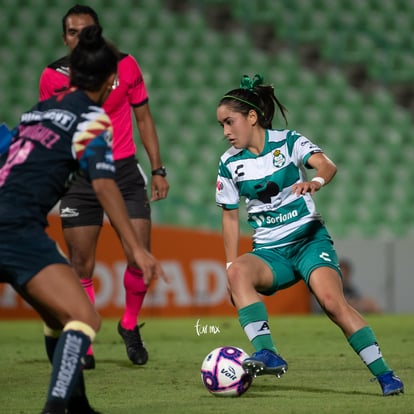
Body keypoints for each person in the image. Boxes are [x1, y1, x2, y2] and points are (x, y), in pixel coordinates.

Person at [0, 25, 164, 414]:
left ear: (71, 75)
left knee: (57, 317)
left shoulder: (36, 111)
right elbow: (105, 187)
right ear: (111, 81)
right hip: (17, 229)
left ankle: (79, 405)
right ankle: (56, 409)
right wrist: (135, 248)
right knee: (85, 317)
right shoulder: (93, 120)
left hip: (11, 220)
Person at [215, 74, 404, 396]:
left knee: (332, 303)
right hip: (270, 253)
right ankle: (267, 352)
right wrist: (231, 265)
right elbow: (230, 217)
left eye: (229, 122)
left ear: (251, 117)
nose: (225, 132)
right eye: (221, 125)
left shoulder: (289, 142)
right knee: (237, 273)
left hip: (308, 242)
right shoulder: (229, 164)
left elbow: (326, 165)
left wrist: (316, 182)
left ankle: (385, 374)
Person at [39, 4, 169, 369]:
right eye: (72, 32)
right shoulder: (52, 76)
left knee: (138, 255)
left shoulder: (125, 65)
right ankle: (85, 339)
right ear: (64, 37)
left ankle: (129, 324)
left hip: (124, 171)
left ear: (98, 32)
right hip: (78, 175)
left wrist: (157, 169)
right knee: (81, 265)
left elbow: (143, 116)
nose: (79, 37)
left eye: (86, 31)